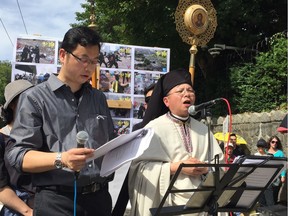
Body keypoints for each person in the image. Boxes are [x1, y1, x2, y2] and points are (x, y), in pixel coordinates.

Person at [7, 26, 115, 216]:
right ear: (63, 55)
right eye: (83, 60)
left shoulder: (98, 98)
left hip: (99, 199)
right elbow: (18, 155)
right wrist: (61, 159)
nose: (89, 68)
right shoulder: (35, 98)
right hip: (56, 201)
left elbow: (109, 143)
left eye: (94, 61)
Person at [127, 69, 224, 215]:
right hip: (167, 206)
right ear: (166, 101)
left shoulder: (204, 130)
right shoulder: (153, 128)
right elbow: (139, 170)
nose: (187, 94)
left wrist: (206, 169)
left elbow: (220, 166)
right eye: (180, 91)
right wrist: (175, 168)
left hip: (202, 206)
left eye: (190, 90)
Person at [0, 79, 34, 216]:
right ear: (13, 105)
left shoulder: (45, 134)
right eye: (29, 98)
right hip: (18, 210)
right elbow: (1, 187)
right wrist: (28, 212)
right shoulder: (2, 138)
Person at [254, 138, 274, 207]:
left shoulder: (269, 156)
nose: (260, 149)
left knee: (270, 200)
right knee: (261, 200)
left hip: (267, 179)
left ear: (264, 148)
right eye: (259, 147)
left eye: (261, 148)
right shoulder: (255, 155)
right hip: (258, 180)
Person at [266, 135, 286, 204]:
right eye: (273, 142)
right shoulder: (265, 151)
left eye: (276, 142)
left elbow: (283, 165)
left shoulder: (280, 153)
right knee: (267, 195)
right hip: (267, 176)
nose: (275, 143)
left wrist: (283, 176)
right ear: (270, 142)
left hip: (276, 176)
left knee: (274, 195)